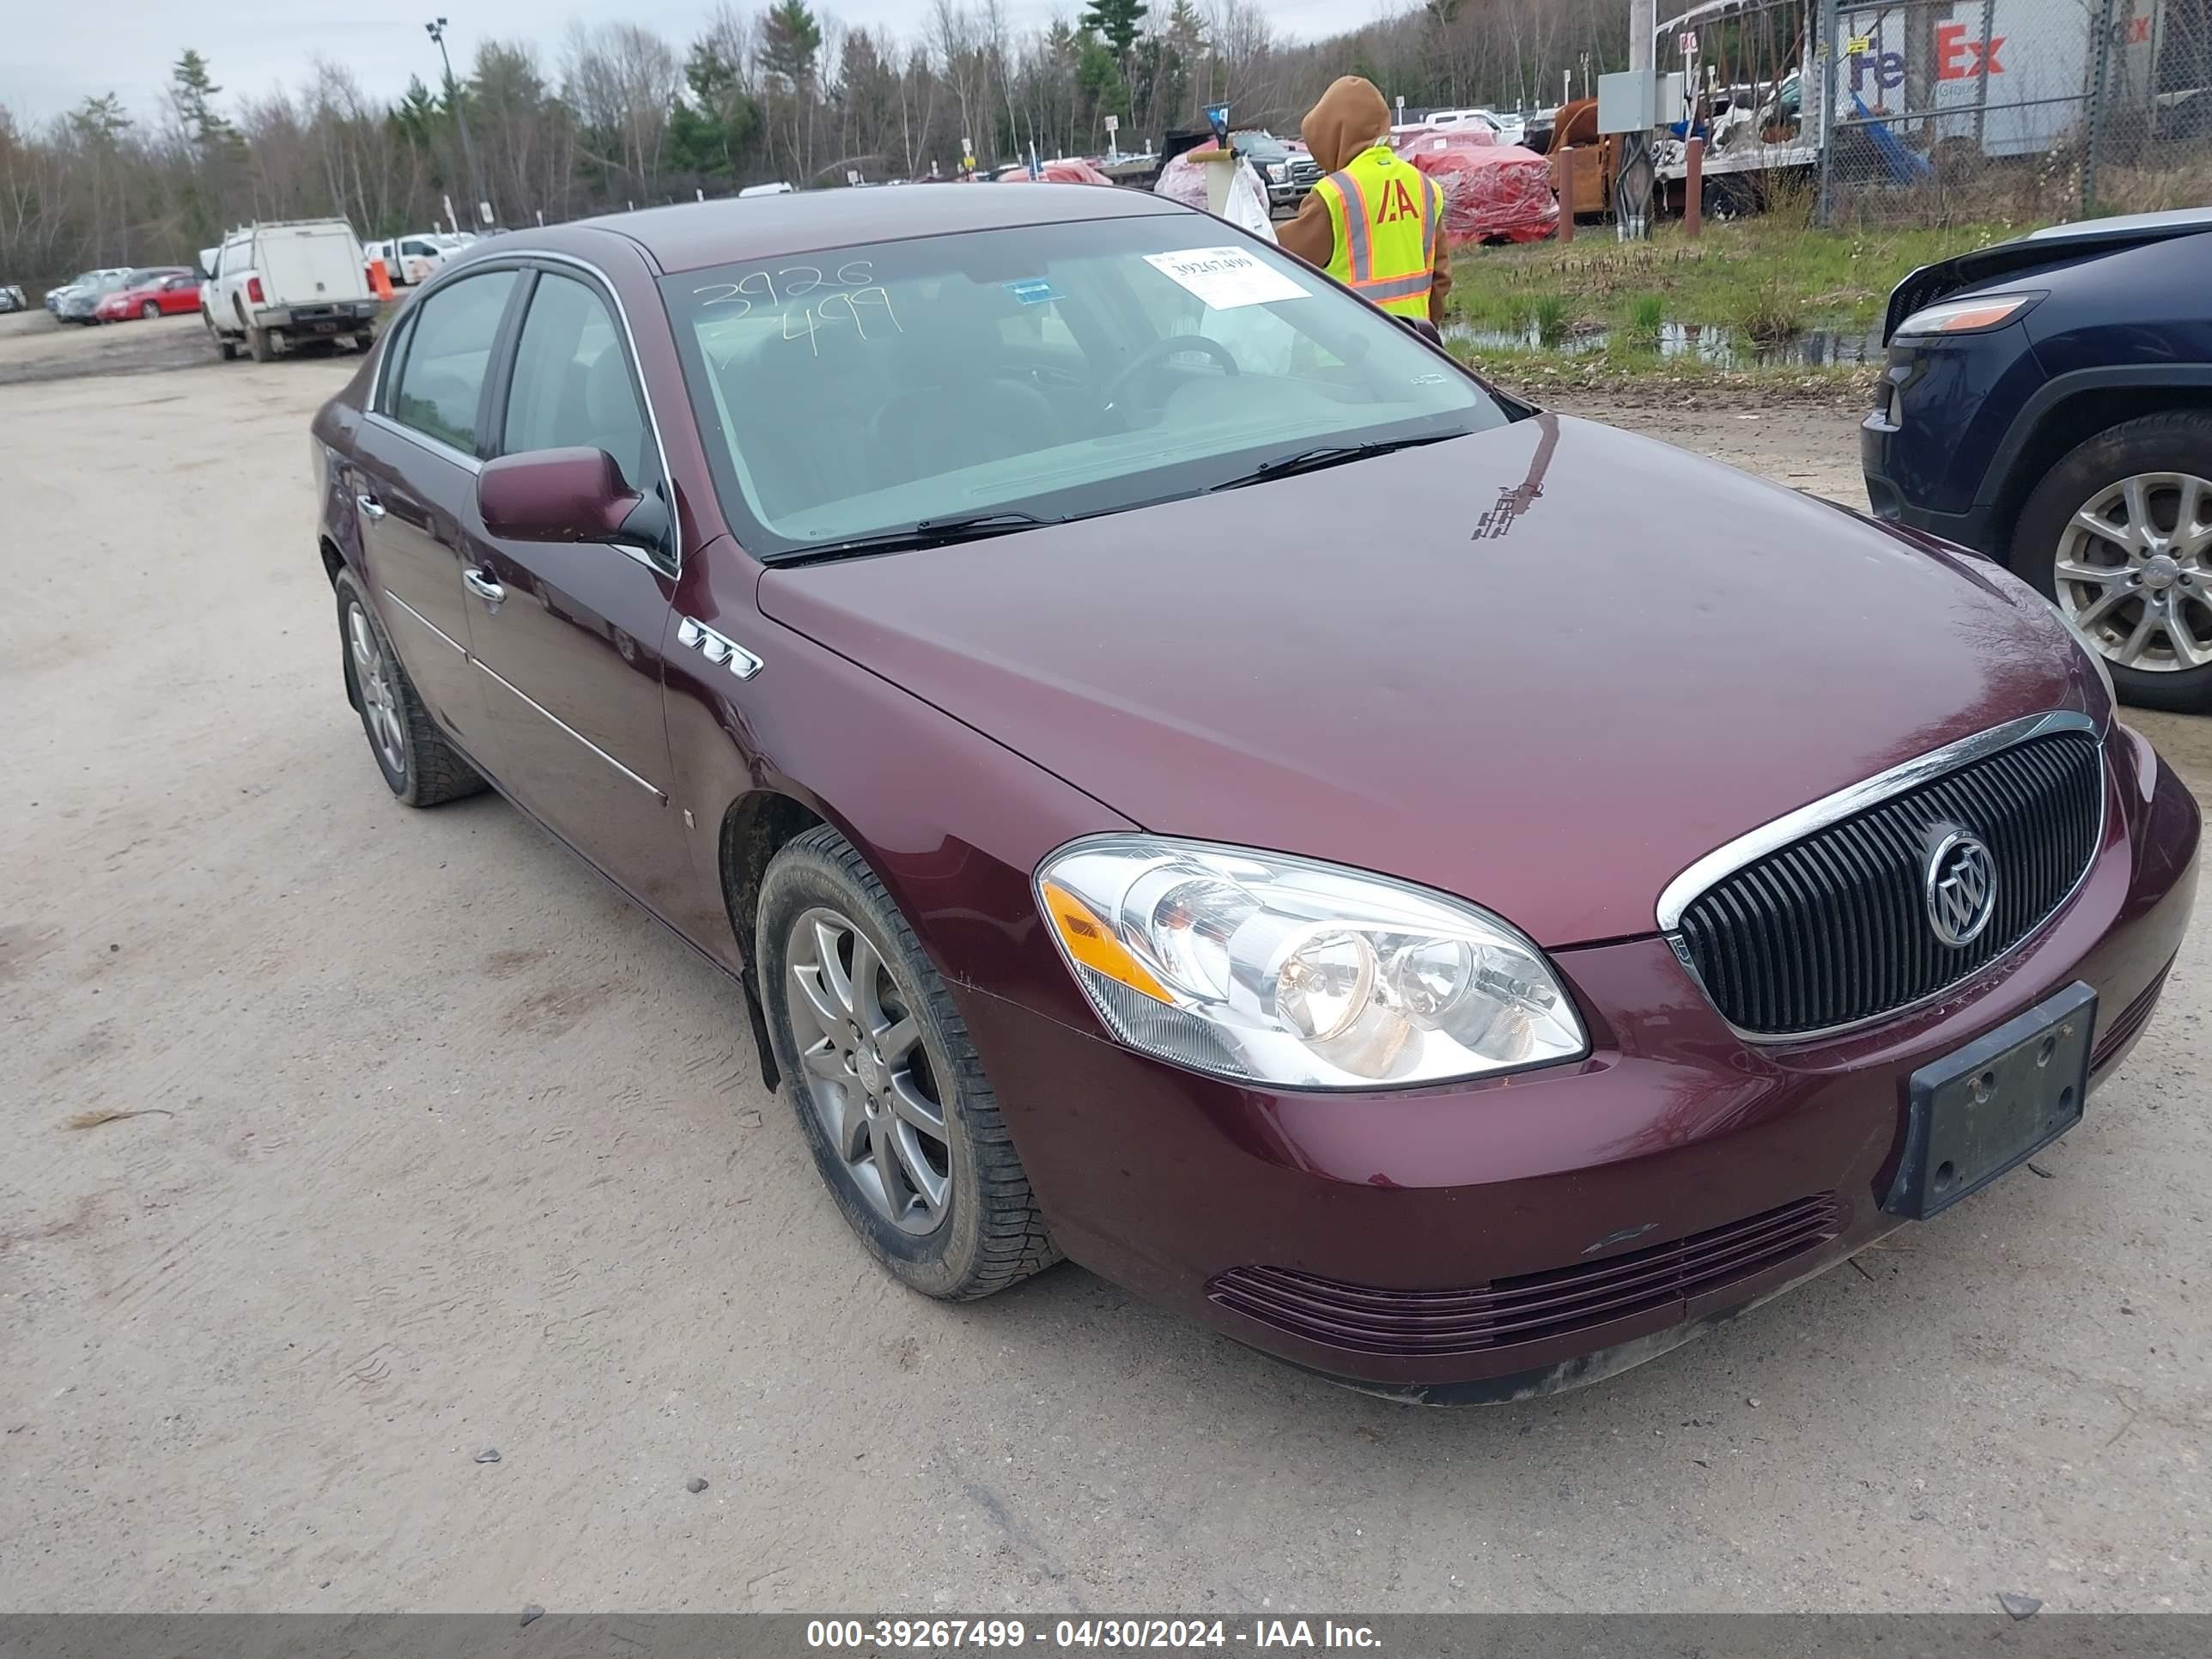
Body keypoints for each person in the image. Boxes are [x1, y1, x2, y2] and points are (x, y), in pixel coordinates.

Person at [1275, 76, 1451, 327]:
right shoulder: (1425, 187)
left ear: (1333, 136)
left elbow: (1279, 264)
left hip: (1344, 355)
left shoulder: (1332, 195)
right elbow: (1441, 277)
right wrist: (1425, 335)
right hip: (1413, 348)